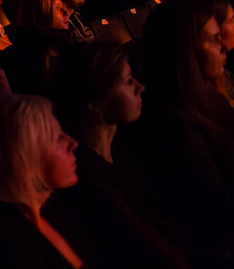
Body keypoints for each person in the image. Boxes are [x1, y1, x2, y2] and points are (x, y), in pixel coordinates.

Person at [53, 42, 191, 269]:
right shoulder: (87, 178)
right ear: (94, 102)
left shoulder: (120, 148)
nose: (140, 87)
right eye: (128, 81)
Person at [137, 0, 234, 262]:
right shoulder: (174, 123)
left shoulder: (207, 98)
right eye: (212, 39)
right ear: (184, 50)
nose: (224, 47)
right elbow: (220, 209)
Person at [0, 94, 102, 268]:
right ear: (23, 157)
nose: (73, 143)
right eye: (58, 138)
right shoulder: (5, 250)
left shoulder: (56, 208)